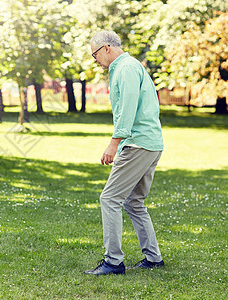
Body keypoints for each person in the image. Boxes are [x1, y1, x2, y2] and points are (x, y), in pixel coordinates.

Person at [84, 31, 164, 275]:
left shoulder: (126, 68)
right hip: (150, 143)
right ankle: (153, 258)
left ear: (106, 48)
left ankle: (113, 262)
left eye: (94, 54)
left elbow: (127, 108)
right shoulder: (128, 66)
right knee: (134, 202)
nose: (95, 60)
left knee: (110, 199)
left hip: (137, 144)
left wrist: (114, 143)